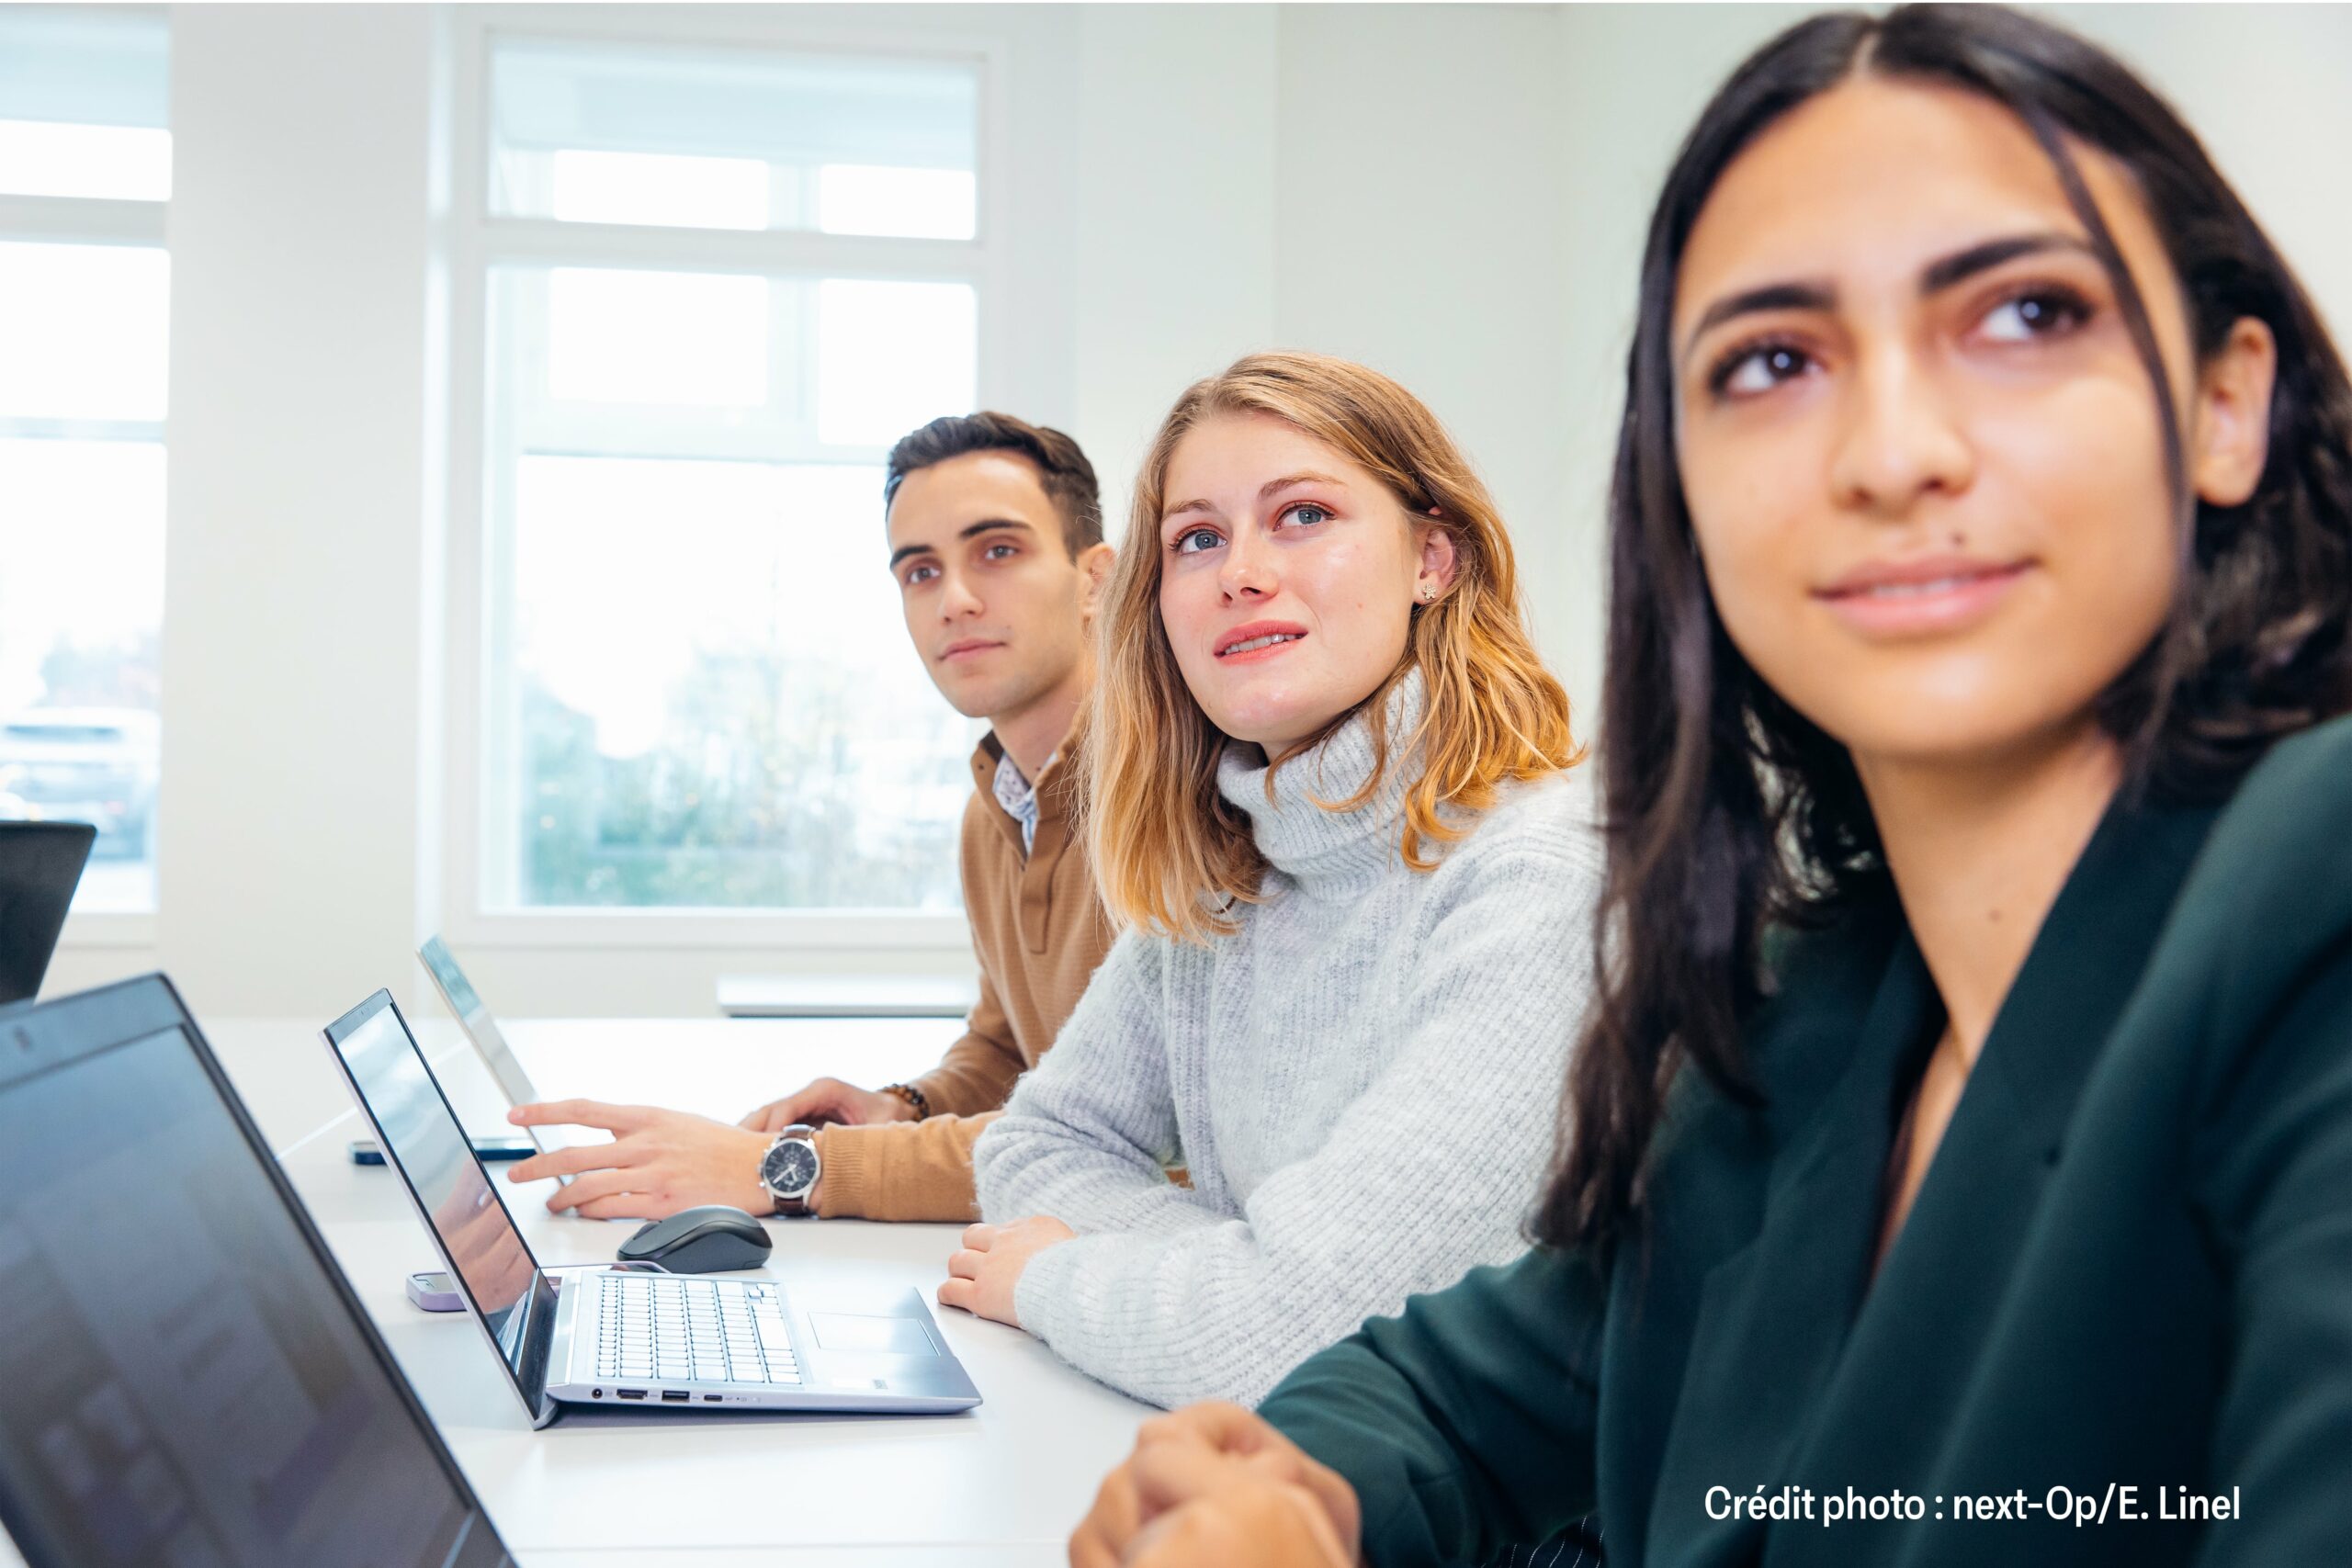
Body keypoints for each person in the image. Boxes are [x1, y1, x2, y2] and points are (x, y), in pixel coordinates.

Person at [1069, 6, 2352, 1565]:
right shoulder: (1820, 1006)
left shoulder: (2313, 903)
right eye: (1772, 360)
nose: (1891, 452)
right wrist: (1302, 1495)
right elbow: (1472, 1389)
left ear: (2227, 403)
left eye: (2025, 315)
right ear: (1680, 481)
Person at [935, 351, 1606, 1412]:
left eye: (1301, 516)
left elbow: (1295, 1345)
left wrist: (1056, 1277)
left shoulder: (1545, 882)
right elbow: (1037, 1147)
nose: (1240, 572)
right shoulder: (1226, 879)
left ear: (1433, 558)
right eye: (1197, 539)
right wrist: (1245, 1268)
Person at [503, 412, 1118, 1223]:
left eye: (997, 552)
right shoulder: (993, 808)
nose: (955, 600)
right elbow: (1014, 1051)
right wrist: (906, 1103)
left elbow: (1128, 1149)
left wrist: (788, 1167)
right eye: (920, 572)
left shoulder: (1169, 804)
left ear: (1094, 580)